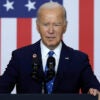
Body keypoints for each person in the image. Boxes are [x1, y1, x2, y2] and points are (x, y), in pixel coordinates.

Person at [0, 1, 100, 95]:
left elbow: (94, 89)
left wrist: (94, 91)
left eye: (56, 24)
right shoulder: (21, 57)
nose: (51, 30)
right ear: (37, 26)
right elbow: (2, 89)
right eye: (46, 24)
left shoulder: (78, 59)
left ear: (65, 26)